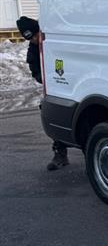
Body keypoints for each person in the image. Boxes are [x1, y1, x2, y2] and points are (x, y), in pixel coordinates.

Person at [16, 16, 70, 171]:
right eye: (30, 38)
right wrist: (46, 79)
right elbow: (35, 72)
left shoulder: (56, 40)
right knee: (55, 120)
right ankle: (60, 154)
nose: (34, 39)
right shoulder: (33, 51)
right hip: (54, 88)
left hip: (73, 83)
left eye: (35, 35)